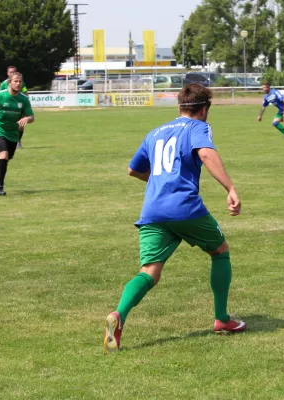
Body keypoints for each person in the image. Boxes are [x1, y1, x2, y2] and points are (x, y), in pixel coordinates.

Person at [103, 84, 245, 353]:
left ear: (180, 106)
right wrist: (230, 188)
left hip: (153, 210)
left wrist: (160, 179)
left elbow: (133, 170)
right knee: (220, 250)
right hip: (184, 207)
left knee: (149, 272)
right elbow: (205, 152)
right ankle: (222, 320)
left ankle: (119, 315)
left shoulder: (155, 133)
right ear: (204, 109)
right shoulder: (198, 127)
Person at [0, 72, 34, 195]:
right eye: (15, 81)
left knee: (6, 160)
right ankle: (0, 188)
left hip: (13, 133)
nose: (18, 84)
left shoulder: (23, 99)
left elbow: (32, 117)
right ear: (9, 82)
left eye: (20, 82)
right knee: (3, 155)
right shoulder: (0, 96)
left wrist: (27, 119)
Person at [0, 66, 29, 148]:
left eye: (14, 72)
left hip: (19, 107)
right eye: (10, 72)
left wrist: (26, 103)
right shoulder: (3, 84)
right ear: (7, 73)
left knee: (20, 126)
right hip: (7, 109)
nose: (12, 73)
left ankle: (18, 141)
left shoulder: (21, 83)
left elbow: (25, 93)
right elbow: (0, 97)